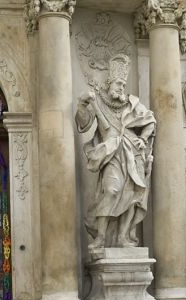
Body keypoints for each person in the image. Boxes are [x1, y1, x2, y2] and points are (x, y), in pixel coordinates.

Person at [75, 54, 156, 251]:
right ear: (109, 83)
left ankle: (123, 237)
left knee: (133, 195)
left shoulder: (132, 104)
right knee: (111, 191)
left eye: (123, 84)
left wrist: (143, 139)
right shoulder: (98, 101)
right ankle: (101, 237)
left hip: (134, 153)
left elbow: (150, 121)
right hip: (111, 154)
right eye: (118, 83)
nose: (121, 88)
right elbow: (84, 124)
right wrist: (82, 105)